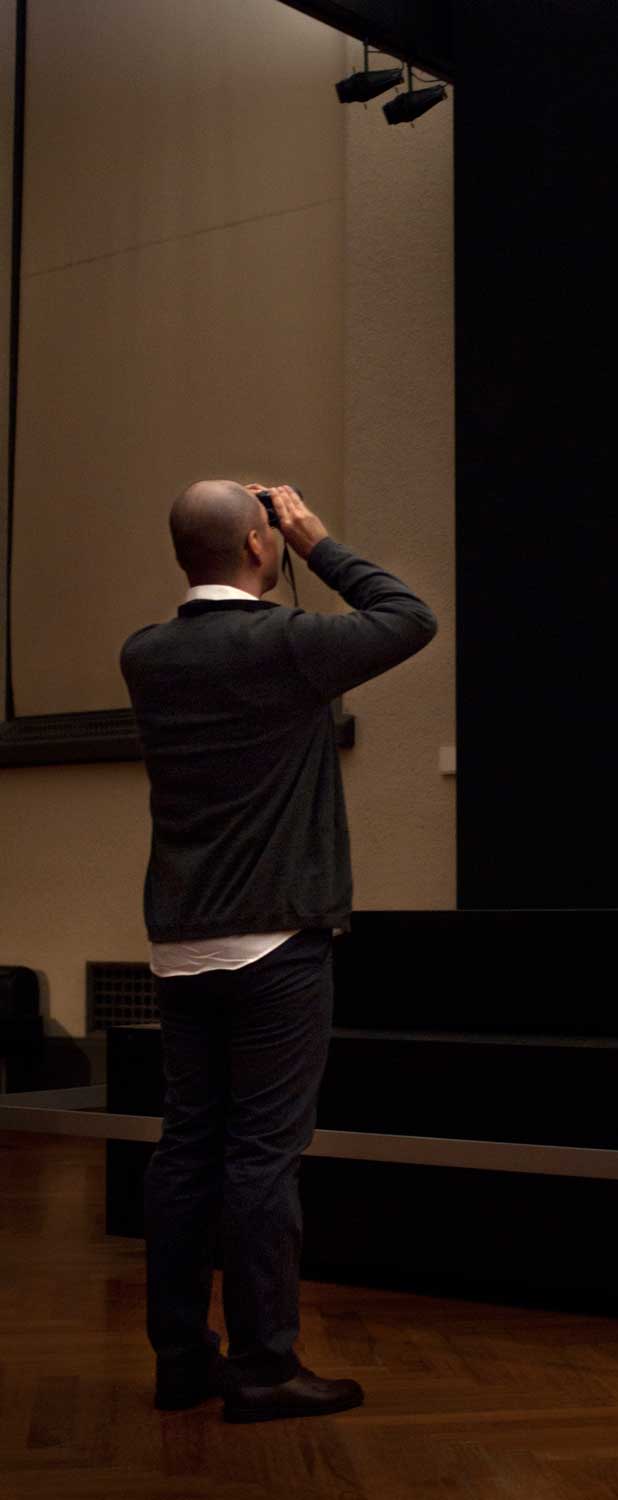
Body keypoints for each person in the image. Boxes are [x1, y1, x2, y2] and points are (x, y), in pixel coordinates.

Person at [120, 479, 437, 1423]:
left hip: (181, 945)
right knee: (262, 1159)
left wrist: (277, 539)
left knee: (186, 1151)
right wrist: (320, 538)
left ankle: (183, 1361)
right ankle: (263, 1371)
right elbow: (408, 616)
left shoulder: (145, 655)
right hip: (275, 943)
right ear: (262, 546)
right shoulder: (287, 645)